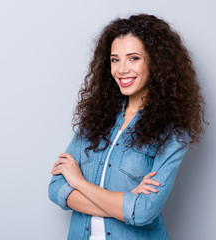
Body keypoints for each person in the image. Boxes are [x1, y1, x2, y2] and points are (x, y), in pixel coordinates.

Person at [48, 14, 205, 240]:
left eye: (133, 58)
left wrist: (79, 183)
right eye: (115, 59)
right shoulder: (94, 118)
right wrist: (124, 204)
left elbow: (143, 212)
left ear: (156, 61)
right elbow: (55, 188)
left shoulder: (172, 132)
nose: (121, 70)